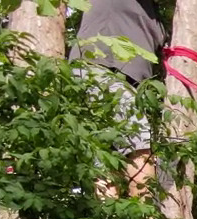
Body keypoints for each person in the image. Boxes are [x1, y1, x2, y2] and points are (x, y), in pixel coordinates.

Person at [70, 0, 167, 197]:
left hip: (119, 78)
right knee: (139, 146)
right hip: (102, 67)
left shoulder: (153, 14)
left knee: (105, 158)